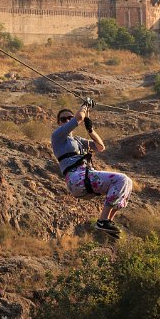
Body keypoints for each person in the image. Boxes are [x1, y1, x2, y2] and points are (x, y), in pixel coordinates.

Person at [51, 98, 133, 238]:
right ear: (59, 122)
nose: (66, 120)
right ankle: (102, 220)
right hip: (77, 179)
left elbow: (100, 147)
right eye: (63, 119)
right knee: (121, 179)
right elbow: (79, 118)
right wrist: (85, 105)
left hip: (85, 178)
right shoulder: (57, 136)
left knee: (128, 184)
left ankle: (107, 222)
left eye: (69, 118)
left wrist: (91, 130)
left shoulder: (77, 140)